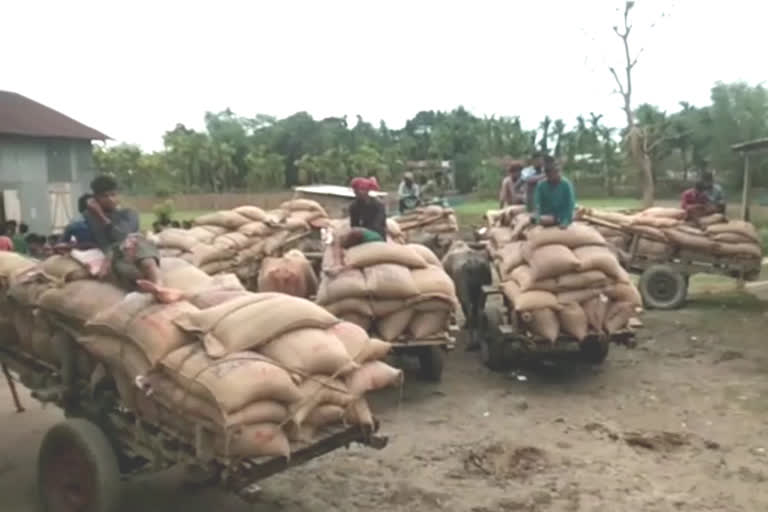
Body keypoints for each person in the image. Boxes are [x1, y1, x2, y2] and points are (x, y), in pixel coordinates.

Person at [83, 175, 181, 303]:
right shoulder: (89, 217)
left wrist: (101, 217)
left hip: (135, 246)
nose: (111, 199)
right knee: (124, 271)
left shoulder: (129, 213)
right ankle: (151, 289)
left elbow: (123, 236)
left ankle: (159, 287)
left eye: (113, 195)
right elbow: (87, 238)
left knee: (145, 259)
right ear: (95, 198)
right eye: (105, 196)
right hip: (115, 255)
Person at [532, 156, 575, 228]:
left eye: (553, 173)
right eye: (548, 174)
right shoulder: (541, 185)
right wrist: (536, 215)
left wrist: (565, 221)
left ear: (558, 172)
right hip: (546, 215)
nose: (550, 176)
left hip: (562, 214)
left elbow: (570, 205)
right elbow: (537, 204)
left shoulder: (566, 185)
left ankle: (558, 220)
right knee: (538, 219)